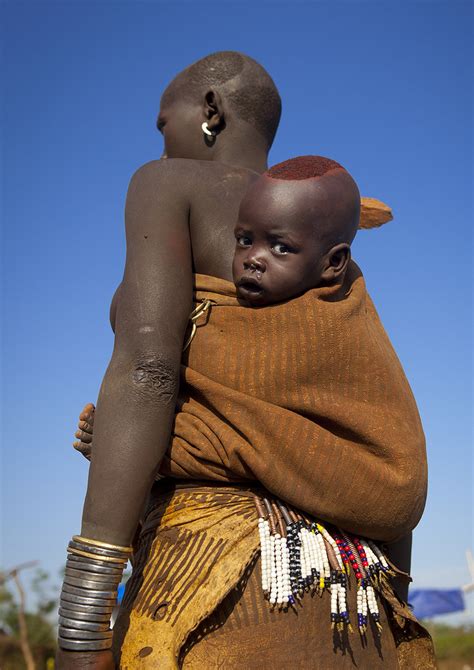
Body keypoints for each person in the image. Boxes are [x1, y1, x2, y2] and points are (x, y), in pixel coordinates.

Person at [58, 52, 433, 669]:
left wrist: (84, 616)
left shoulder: (168, 182)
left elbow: (148, 370)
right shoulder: (327, 258)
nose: (160, 145)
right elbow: (370, 421)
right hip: (353, 590)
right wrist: (397, 607)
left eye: (162, 125)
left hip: (221, 565)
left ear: (210, 111)